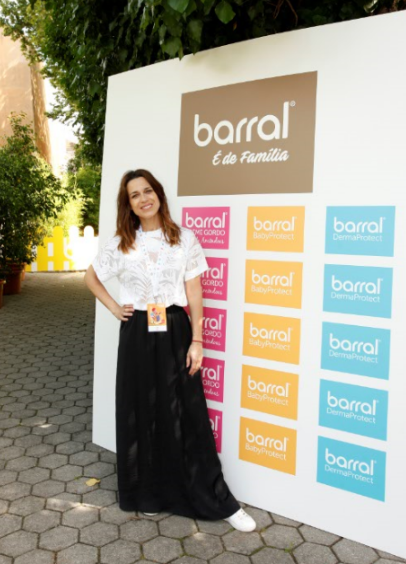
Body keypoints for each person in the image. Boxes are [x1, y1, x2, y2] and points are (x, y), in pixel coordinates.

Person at [84, 169, 256, 532]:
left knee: (188, 412)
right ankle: (147, 494)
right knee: (140, 411)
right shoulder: (121, 242)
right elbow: (91, 277)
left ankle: (218, 499)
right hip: (137, 331)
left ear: (159, 194)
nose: (143, 198)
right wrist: (115, 308)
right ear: (128, 204)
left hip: (176, 328)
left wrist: (198, 340)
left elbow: (194, 292)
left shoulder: (184, 238)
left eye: (147, 191)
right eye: (134, 195)